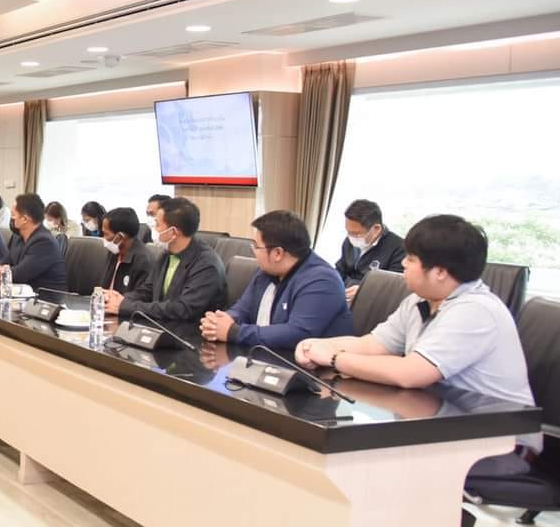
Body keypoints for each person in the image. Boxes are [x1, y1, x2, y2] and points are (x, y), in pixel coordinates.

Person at [296, 215, 538, 473]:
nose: (403, 263)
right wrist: (317, 345)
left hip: (497, 442)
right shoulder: (419, 301)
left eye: (411, 259)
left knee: (365, 465)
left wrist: (334, 358)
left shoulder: (475, 310)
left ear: (440, 272)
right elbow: (373, 344)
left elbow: (411, 374)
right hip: (438, 426)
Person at [200, 210, 353, 350]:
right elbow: (243, 308)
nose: (253, 251)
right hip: (264, 357)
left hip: (309, 366)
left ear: (278, 253)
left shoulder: (322, 281)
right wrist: (221, 321)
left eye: (256, 246)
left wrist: (235, 332)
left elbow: (297, 333)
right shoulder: (266, 272)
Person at [105, 196, 225, 322]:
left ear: (173, 232)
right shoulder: (167, 254)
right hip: (161, 325)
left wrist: (127, 307)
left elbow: (182, 309)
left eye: (157, 225)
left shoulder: (207, 265)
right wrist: (121, 299)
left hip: (188, 330)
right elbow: (147, 291)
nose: (153, 229)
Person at [0, 192, 66, 293]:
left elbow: (20, 274)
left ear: (24, 219)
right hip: (20, 293)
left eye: (13, 215)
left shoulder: (44, 242)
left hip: (44, 297)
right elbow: (5, 260)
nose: (11, 218)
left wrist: (3, 271)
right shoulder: (18, 237)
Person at [335, 199, 406, 304]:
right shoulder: (349, 241)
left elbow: (395, 286)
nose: (351, 237)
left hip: (372, 302)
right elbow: (341, 268)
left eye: (357, 234)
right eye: (349, 232)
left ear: (376, 229)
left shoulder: (399, 248)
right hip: (344, 295)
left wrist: (366, 291)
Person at [99, 207, 152, 296]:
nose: (103, 238)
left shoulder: (144, 261)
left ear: (119, 237)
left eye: (106, 234)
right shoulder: (113, 252)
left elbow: (141, 298)